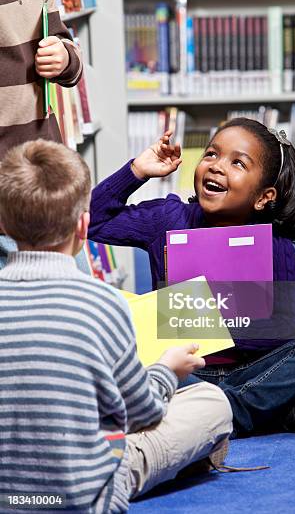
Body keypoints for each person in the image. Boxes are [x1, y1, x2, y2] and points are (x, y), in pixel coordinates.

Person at [0, 139, 232, 512]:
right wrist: (166, 372)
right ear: (82, 227)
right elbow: (145, 413)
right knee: (211, 402)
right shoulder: (104, 304)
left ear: (3, 225)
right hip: (85, 497)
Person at [89, 117, 295, 437]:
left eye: (238, 162)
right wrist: (136, 171)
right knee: (117, 350)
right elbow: (91, 221)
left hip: (251, 370)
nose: (216, 166)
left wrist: (198, 320)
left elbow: (292, 325)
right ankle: (259, 412)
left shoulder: (273, 240)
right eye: (211, 154)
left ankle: (218, 413)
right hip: (181, 370)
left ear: (264, 196)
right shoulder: (167, 218)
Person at [0, 0, 83, 266]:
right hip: (6, 178)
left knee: (69, 274)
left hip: (44, 169)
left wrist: (64, 58)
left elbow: (66, 44)